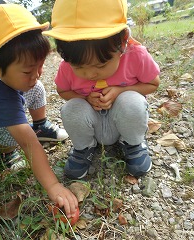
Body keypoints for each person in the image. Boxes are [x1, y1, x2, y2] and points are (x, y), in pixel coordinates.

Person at [0, 4, 77, 217]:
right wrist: (53, 186)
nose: (38, 73)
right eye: (28, 70)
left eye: (40, 65)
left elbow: (31, 82)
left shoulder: (9, 77)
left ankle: (41, 126)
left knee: (36, 87)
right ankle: (6, 155)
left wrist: (28, 76)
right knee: (17, 132)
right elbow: (28, 143)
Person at [43, 0, 160, 179]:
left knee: (132, 101)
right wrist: (85, 99)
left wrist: (120, 91)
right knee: (71, 108)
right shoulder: (66, 66)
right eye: (79, 67)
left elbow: (153, 83)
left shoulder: (135, 55)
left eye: (101, 64)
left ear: (122, 42)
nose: (90, 74)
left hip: (123, 124)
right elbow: (63, 91)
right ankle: (84, 148)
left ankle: (133, 143)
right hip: (93, 125)